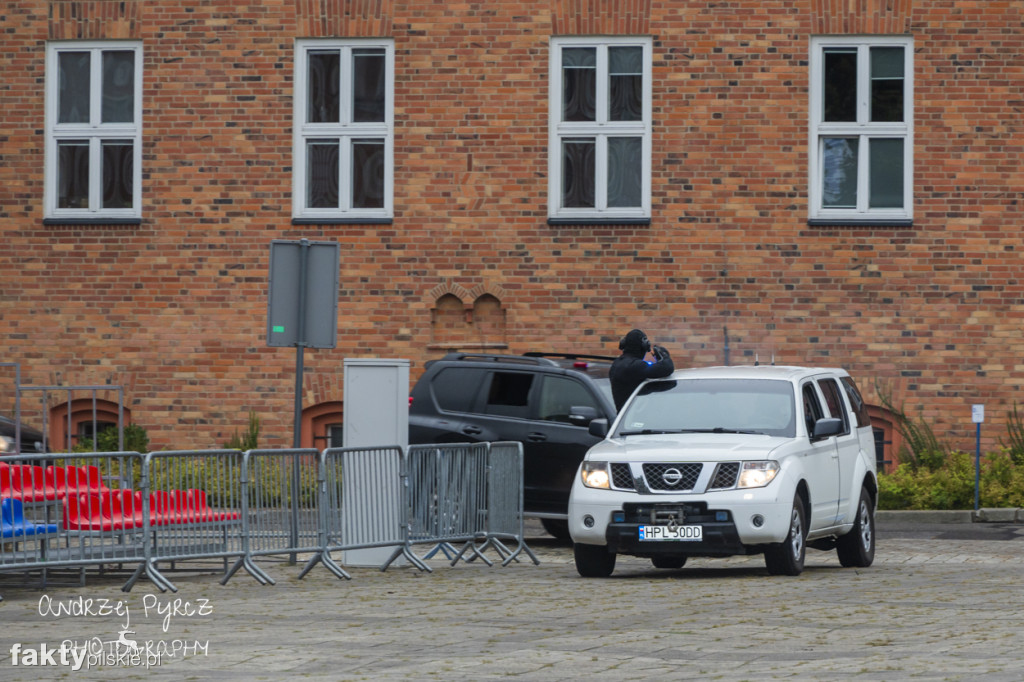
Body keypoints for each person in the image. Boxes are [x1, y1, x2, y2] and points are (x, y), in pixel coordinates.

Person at [609, 329, 675, 412]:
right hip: (632, 418)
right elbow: (667, 368)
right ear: (644, 346)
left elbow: (648, 387)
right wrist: (664, 356)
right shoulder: (633, 366)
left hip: (626, 417)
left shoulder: (617, 364)